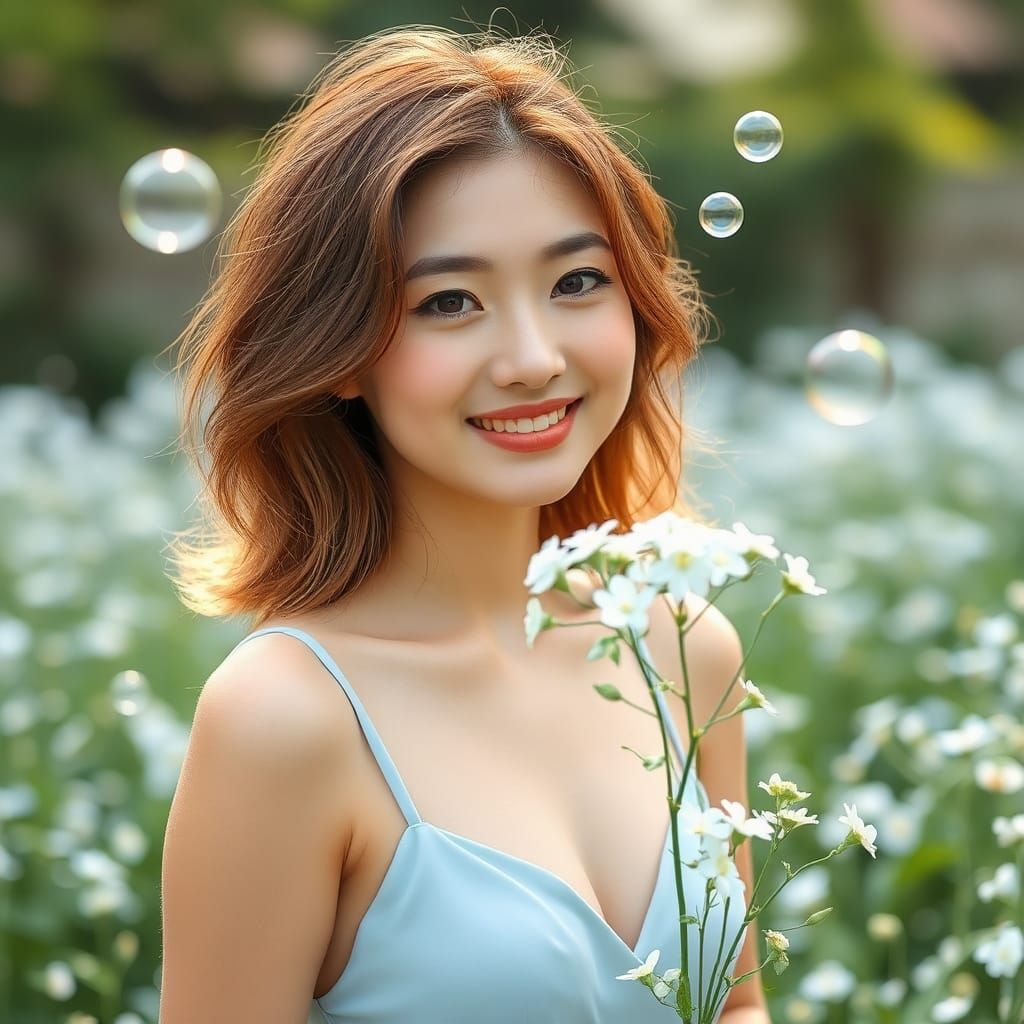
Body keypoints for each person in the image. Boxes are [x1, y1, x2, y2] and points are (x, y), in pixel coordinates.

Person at [158, 23, 771, 1024]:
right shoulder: (285, 720)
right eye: (449, 301)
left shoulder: (683, 648)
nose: (532, 355)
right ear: (339, 350)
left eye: (577, 281)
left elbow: (735, 1004)